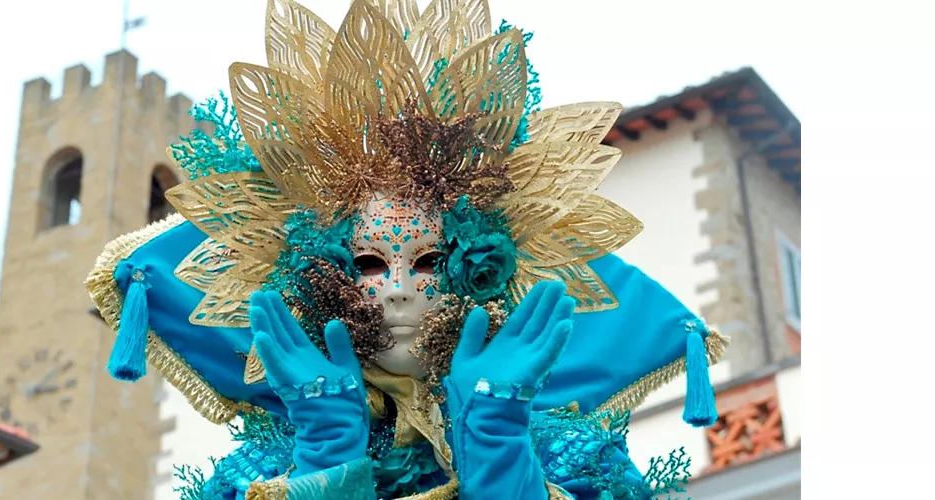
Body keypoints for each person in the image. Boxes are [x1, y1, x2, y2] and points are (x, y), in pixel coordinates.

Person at [86, 1, 730, 498]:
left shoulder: (572, 462)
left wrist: (499, 449)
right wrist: (326, 454)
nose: (397, 289)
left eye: (429, 263)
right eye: (368, 263)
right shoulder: (260, 473)